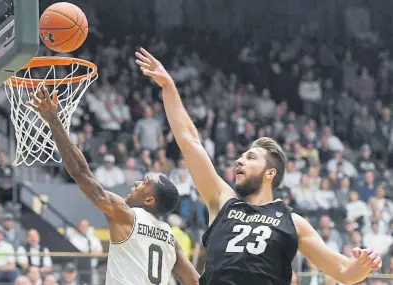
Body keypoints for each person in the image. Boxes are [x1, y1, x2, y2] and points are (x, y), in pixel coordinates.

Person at [135, 48, 382, 285]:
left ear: (270, 173)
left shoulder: (292, 222)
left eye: (251, 157)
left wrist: (362, 265)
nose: (239, 160)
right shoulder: (222, 200)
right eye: (241, 156)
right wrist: (168, 87)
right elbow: (189, 141)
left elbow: (343, 270)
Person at [27, 87, 199, 285]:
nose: (136, 183)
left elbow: (80, 172)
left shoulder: (126, 215)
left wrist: (53, 120)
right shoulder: (170, 238)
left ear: (149, 200)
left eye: (144, 183)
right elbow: (194, 281)